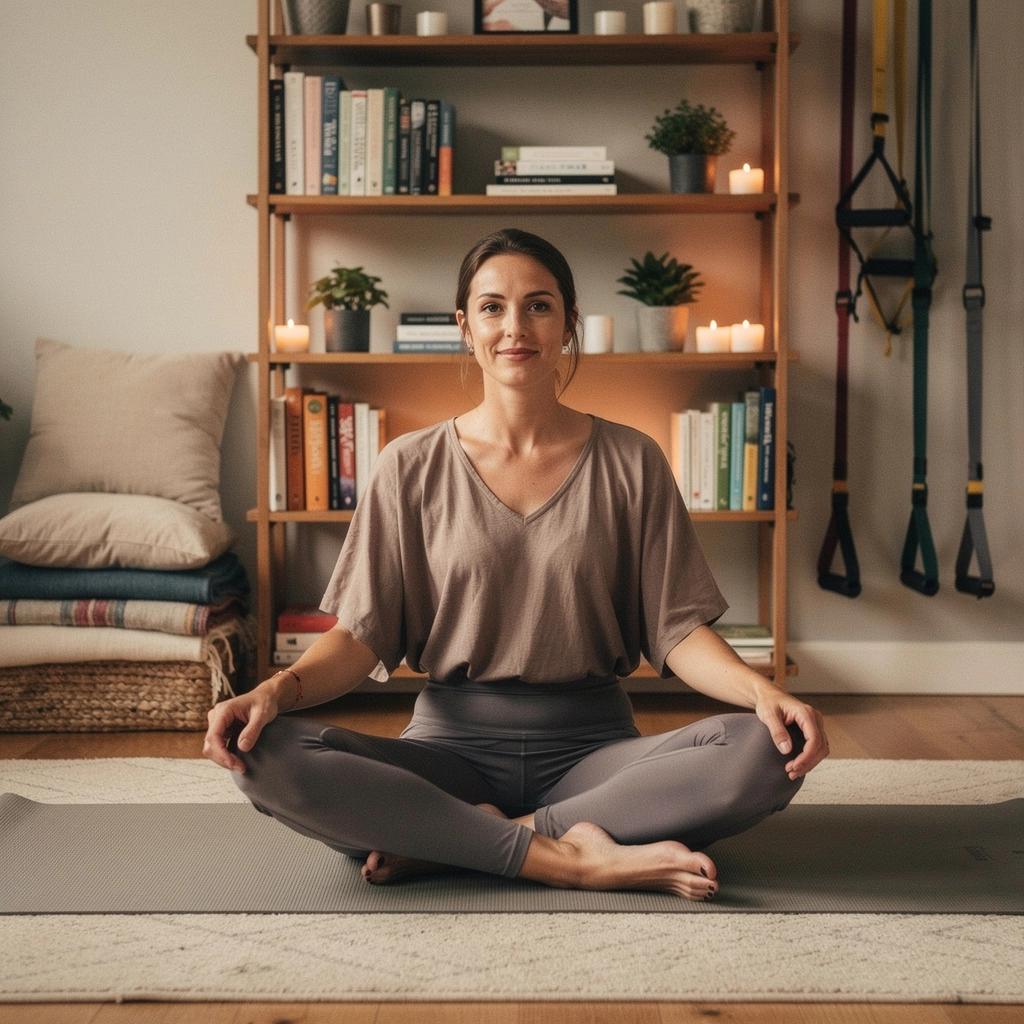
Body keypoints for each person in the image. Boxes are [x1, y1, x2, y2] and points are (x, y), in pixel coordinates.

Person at [203, 227, 829, 901]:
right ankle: (577, 859)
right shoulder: (408, 466)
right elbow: (359, 639)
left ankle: (457, 841)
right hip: (447, 751)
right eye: (493, 306)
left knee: (765, 750)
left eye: (539, 305)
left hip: (596, 755)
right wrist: (275, 690)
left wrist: (762, 692)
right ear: (464, 328)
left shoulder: (633, 460)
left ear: (567, 326)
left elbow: (677, 632)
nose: (515, 327)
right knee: (264, 753)